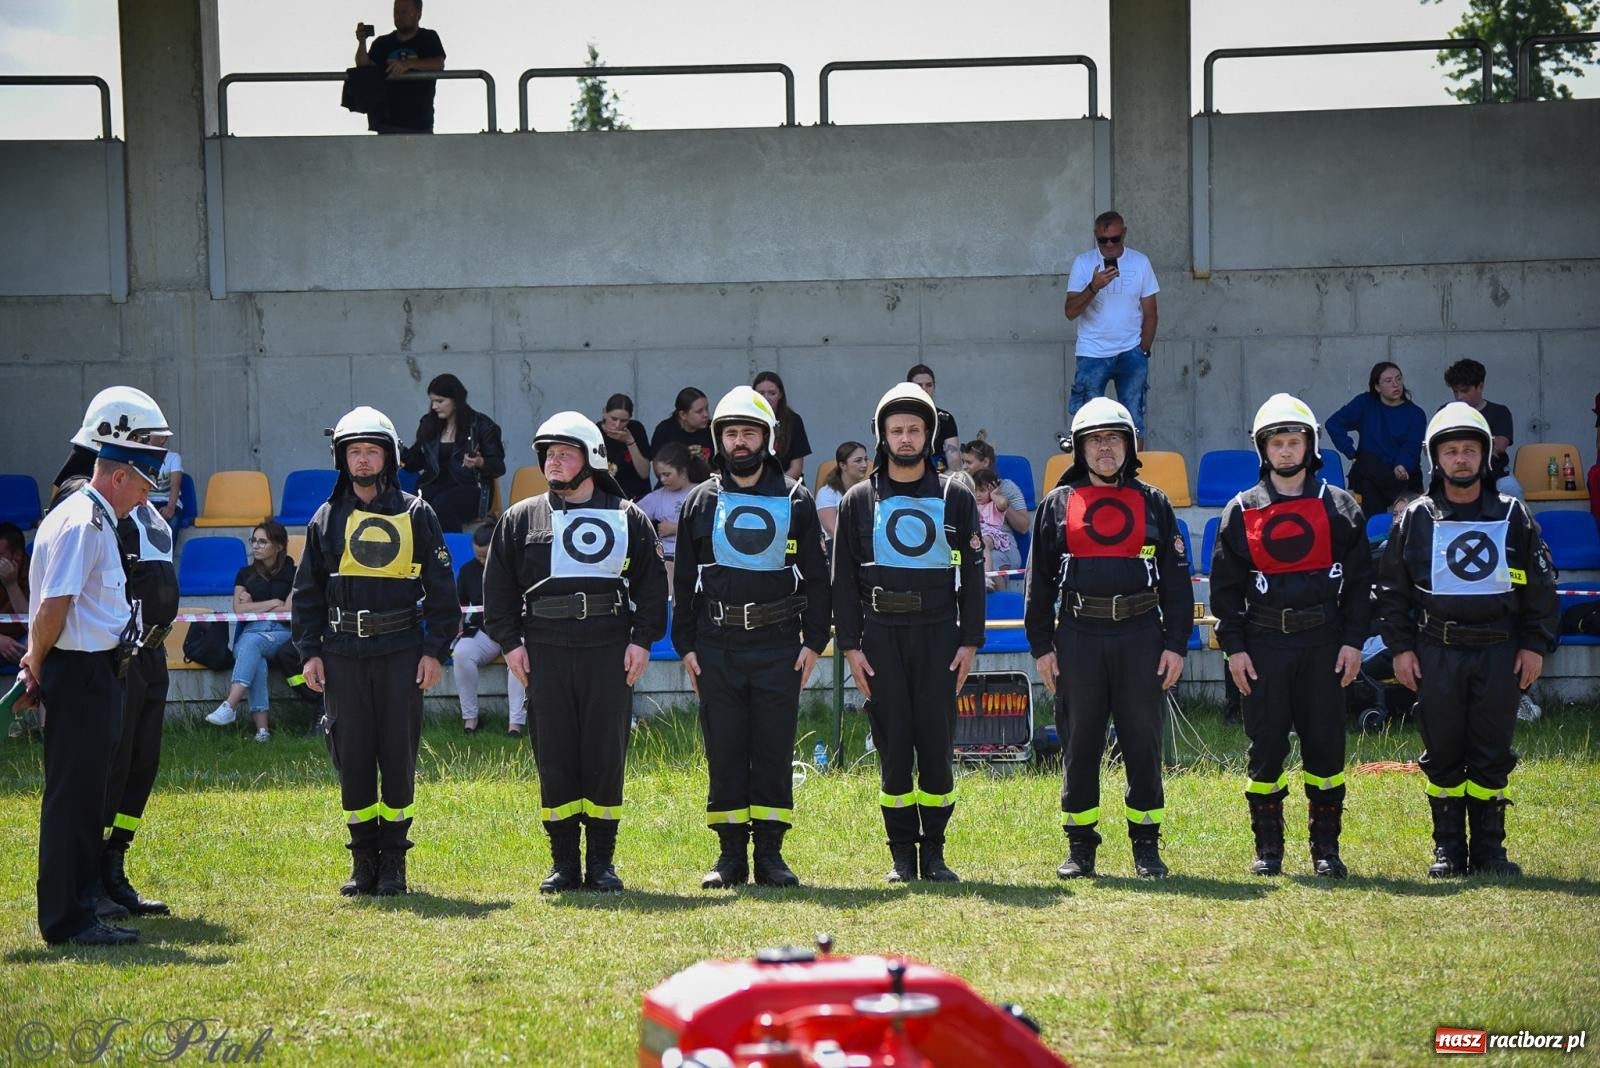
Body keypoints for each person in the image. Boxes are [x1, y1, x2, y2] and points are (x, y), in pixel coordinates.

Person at [482, 413, 667, 894]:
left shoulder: (629, 517)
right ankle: (563, 862)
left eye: (566, 452)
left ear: (593, 459)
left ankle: (602, 863)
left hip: (609, 648)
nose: (554, 461)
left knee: (605, 754)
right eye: (548, 453)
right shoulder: (520, 518)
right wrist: (510, 645)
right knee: (556, 754)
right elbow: (498, 589)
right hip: (544, 649)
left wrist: (642, 640)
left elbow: (650, 586)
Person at [1375, 403, 1558, 878]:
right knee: (1444, 753)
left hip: (1499, 652)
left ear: (1484, 457)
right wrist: (1400, 649)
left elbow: (1539, 588)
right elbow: (1393, 591)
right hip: (1436, 652)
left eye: (1470, 450)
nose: (1461, 459)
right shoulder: (1415, 517)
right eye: (1451, 450)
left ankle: (1491, 852)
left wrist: (1534, 645)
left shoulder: (1512, 513)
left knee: (1492, 750)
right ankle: (1449, 850)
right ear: (1436, 458)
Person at [20, 387, 171, 946]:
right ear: (117, 476)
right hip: (79, 673)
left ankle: (79, 909)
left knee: (84, 801)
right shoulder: (84, 521)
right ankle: (67, 919)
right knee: (74, 802)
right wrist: (36, 665)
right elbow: (54, 604)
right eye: (141, 485)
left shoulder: (98, 516)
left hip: (95, 671)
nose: (143, 498)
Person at [291, 406, 460, 897]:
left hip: (402, 652)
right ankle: (362, 860)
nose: (362, 460)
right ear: (341, 459)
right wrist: (310, 652)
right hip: (342, 652)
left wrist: (434, 651)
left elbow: (444, 593)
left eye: (371, 451)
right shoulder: (326, 517)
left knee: (397, 753)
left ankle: (394, 864)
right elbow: (307, 594)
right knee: (353, 754)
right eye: (353, 452)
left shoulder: (417, 513)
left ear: (388, 456)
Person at [1024, 397, 1192, 879]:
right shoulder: (1057, 505)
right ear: (1079, 448)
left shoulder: (1154, 502)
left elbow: (1177, 583)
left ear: (1130, 446)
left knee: (1143, 740)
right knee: (1080, 742)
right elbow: (1038, 583)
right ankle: (1081, 848)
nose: (1105, 449)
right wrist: (1041, 648)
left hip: (1142, 635)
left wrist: (1176, 644)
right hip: (1077, 636)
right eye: (1095, 440)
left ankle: (1146, 846)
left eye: (1114, 439)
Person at [672, 387, 831, 889]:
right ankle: (728, 858)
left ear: (768, 437)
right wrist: (686, 647)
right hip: (716, 644)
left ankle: (770, 854)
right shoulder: (699, 501)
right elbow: (684, 582)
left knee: (772, 748)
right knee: (724, 748)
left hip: (779, 643)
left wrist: (813, 642)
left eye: (750, 432)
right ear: (719, 440)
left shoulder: (796, 499)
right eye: (731, 433)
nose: (740, 442)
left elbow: (817, 575)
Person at [1209, 394, 1372, 879]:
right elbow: (1224, 590)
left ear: (1310, 446)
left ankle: (1326, 850)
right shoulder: (1240, 510)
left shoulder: (1340, 506)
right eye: (1277, 442)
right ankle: (1269, 850)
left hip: (1324, 643)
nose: (1285, 451)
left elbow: (1362, 583)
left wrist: (1353, 641)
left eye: (1294, 441)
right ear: (1263, 449)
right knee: (1265, 750)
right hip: (1263, 646)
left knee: (1326, 749)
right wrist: (1235, 649)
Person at [833, 382, 985, 883]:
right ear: (882, 436)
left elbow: (974, 571)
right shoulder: (859, 499)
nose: (904, 438)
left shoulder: (955, 496)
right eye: (895, 430)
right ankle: (901, 854)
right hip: (880, 636)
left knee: (937, 744)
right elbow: (844, 580)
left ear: (928, 435)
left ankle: (935, 852)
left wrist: (970, 640)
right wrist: (851, 648)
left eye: (914, 429)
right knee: (894, 747)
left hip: (939, 633)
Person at [1063, 211, 1160, 445]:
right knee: (1087, 422)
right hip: (1092, 353)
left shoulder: (1140, 262)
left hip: (1131, 352)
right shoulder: (1084, 263)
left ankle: (1133, 477)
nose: (1108, 245)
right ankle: (1087, 475)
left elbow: (1151, 313)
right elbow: (1070, 311)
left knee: (1133, 421)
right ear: (1095, 236)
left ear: (1124, 234)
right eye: (1102, 240)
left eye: (1114, 239)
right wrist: (1093, 287)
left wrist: (1142, 350)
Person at [205, 519, 296, 741]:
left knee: (251, 645)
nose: (255, 546)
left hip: (282, 633)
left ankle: (230, 705)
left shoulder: (294, 571)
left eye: (263, 542)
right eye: (253, 541)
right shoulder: (244, 573)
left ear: (279, 546)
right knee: (257, 659)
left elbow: (289, 608)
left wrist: (254, 603)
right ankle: (262, 731)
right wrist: (274, 600)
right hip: (252, 632)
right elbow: (239, 609)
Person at [400, 373, 506, 533]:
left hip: (471, 488)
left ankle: (446, 554)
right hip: (434, 486)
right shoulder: (428, 424)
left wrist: (479, 462)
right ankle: (423, 553)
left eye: (440, 401)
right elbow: (416, 464)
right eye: (433, 401)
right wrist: (400, 450)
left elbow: (498, 467)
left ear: (456, 400)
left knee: (443, 505)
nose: (435, 406)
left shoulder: (482, 425)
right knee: (418, 505)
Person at [451, 523, 526, 736]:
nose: (481, 561)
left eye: (486, 556)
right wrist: (457, 624)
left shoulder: (515, 566)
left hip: (513, 631)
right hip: (483, 632)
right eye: (478, 556)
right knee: (462, 653)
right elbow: (460, 605)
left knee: (518, 661)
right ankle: (470, 719)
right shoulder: (467, 571)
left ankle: (516, 723)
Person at [1325, 361, 1426, 519]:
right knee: (1366, 463)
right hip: (1371, 473)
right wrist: (1350, 452)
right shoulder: (1365, 403)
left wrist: (1402, 464)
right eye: (1388, 381)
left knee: (1368, 467)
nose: (1396, 384)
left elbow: (1412, 446)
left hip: (1401, 475)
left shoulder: (1415, 413)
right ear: (1377, 387)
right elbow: (1333, 424)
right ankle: (1376, 536)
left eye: (1398, 379)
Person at [353, 0, 446, 134]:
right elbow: (363, 66)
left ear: (418, 15)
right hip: (387, 124)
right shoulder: (382, 43)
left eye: (404, 11)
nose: (398, 16)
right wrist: (362, 43)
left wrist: (409, 64)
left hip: (420, 125)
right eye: (396, 11)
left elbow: (438, 64)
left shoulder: (428, 38)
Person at [637, 442, 710, 593]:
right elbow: (632, 515)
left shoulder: (702, 492)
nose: (662, 480)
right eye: (659, 475)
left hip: (697, 558)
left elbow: (712, 525)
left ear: (683, 471)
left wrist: (676, 528)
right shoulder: (657, 497)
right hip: (668, 557)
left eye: (667, 474)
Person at [1442, 359, 1521, 498]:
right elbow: (1435, 447)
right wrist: (1484, 443)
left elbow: (1499, 446)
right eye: (1455, 391)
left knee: (1512, 488)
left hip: (1496, 475)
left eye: (1465, 391)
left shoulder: (1499, 411)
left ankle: (1523, 520)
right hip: (1455, 475)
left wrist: (1458, 444)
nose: (1459, 396)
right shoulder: (1445, 412)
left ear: (1480, 386)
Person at [959, 438, 1031, 536]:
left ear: (985, 462)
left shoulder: (1006, 487)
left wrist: (1001, 503)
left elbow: (1024, 527)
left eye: (969, 462)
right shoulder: (960, 487)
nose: (964, 467)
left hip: (999, 539)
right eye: (963, 462)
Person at [752, 371, 813, 481]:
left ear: (780, 395)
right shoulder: (746, 420)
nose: (766, 398)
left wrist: (776, 486)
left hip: (786, 484)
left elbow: (796, 468)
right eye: (761, 393)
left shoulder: (793, 420)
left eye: (772, 393)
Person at [598, 393, 654, 501]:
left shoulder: (636, 429)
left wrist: (630, 442)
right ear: (605, 412)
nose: (618, 424)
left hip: (637, 497)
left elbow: (644, 473)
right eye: (614, 419)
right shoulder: (596, 432)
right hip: (607, 497)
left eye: (624, 421)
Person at [904, 364, 960, 472]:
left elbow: (954, 458)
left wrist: (952, 477)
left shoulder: (945, 418)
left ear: (934, 387)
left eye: (929, 385)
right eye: (919, 385)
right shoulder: (897, 418)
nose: (924, 389)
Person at [815, 441, 869, 551]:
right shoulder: (826, 493)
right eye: (858, 460)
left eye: (865, 459)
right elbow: (833, 531)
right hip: (836, 550)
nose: (864, 465)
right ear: (843, 465)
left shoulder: (867, 491)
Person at [651, 387, 714, 469]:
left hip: (708, 480)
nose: (706, 415)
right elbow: (658, 470)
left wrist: (704, 466)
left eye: (706, 408)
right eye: (699, 411)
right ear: (683, 415)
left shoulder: (713, 429)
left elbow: (723, 471)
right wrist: (682, 459)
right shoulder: (665, 430)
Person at [0, 522, 28, 673]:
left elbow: (32, 624)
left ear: (17, 555)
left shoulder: (33, 571)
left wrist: (11, 585)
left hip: (23, 640)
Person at [148, 448, 184, 524]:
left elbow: (175, 485)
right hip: (147, 503)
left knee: (173, 521)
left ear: (162, 439)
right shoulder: (140, 455)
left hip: (167, 502)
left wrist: (170, 507)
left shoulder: (173, 457)